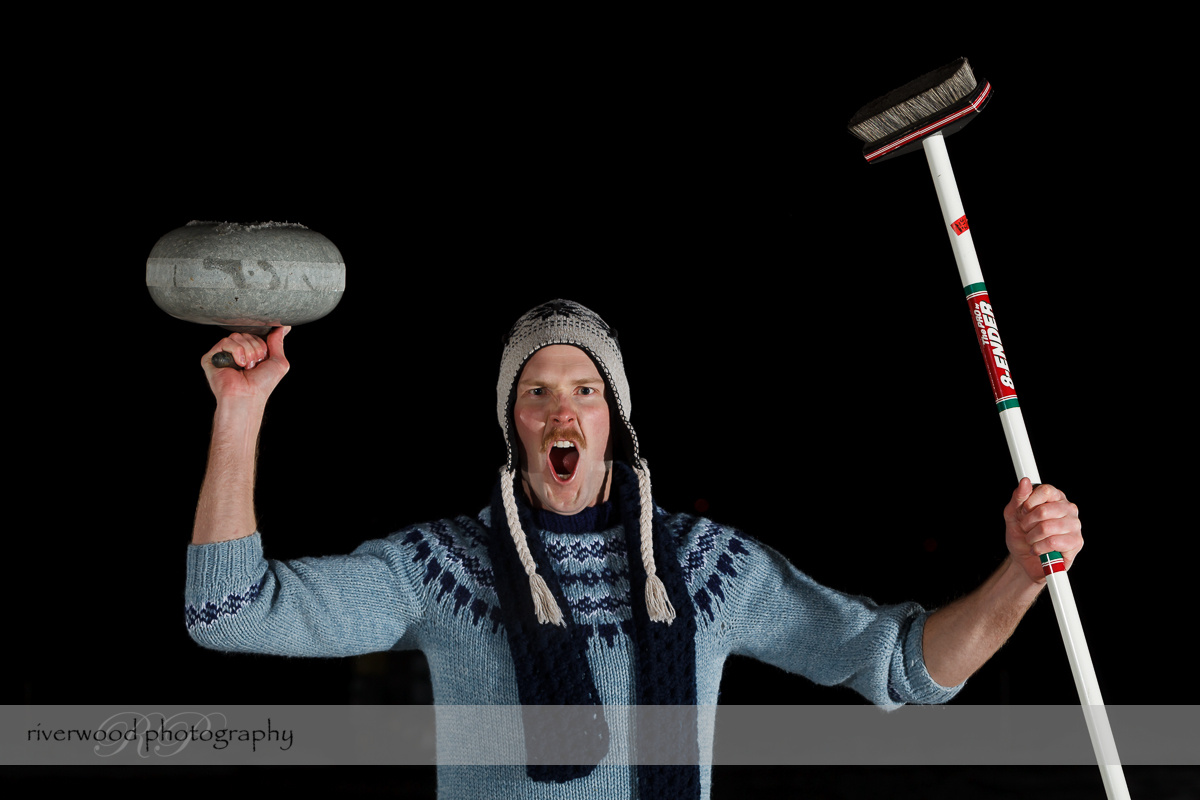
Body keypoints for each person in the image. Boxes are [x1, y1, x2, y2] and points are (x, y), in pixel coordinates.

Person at [185, 299, 1083, 800]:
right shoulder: (442, 569)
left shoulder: (708, 568)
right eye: (537, 392)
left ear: (613, 419)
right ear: (514, 424)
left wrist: (1019, 572)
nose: (562, 410)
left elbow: (902, 668)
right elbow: (230, 613)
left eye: (584, 388)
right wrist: (241, 412)